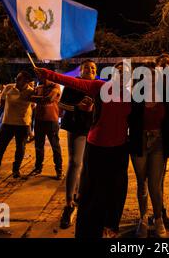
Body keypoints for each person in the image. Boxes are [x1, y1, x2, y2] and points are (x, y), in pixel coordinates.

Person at [34, 62, 131, 238]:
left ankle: (110, 226)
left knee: (116, 189)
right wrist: (48, 73)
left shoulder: (131, 96)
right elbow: (72, 82)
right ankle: (87, 229)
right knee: (92, 190)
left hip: (120, 148)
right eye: (119, 72)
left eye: (126, 73)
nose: (122, 75)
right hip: (97, 146)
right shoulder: (100, 86)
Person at [128, 62, 169, 238]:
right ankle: (143, 219)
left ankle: (158, 219)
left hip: (159, 142)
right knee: (142, 184)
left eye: (154, 74)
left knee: (155, 185)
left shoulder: (165, 95)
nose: (151, 77)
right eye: (147, 74)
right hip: (138, 141)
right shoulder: (134, 94)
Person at [58, 59, 96, 229]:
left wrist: (93, 108)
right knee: (75, 163)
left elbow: (104, 107)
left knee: (88, 164)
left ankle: (82, 195)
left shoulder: (99, 87)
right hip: (76, 127)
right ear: (81, 70)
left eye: (93, 68)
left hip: (95, 129)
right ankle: (68, 203)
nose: (90, 69)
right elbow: (61, 104)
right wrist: (77, 107)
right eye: (87, 67)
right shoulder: (73, 85)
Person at [0, 71, 39, 182]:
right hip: (7, 123)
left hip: (23, 124)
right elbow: (2, 103)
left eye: (20, 79)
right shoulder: (8, 88)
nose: (16, 81)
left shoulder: (31, 92)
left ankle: (16, 171)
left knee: (20, 148)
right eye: (17, 78)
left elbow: (34, 105)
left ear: (27, 81)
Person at [28, 79, 63, 180]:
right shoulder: (39, 88)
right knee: (38, 145)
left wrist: (36, 98)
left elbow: (50, 99)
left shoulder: (56, 86)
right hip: (39, 120)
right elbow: (29, 98)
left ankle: (59, 169)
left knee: (55, 146)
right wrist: (39, 98)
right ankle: (38, 168)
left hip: (52, 120)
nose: (44, 78)